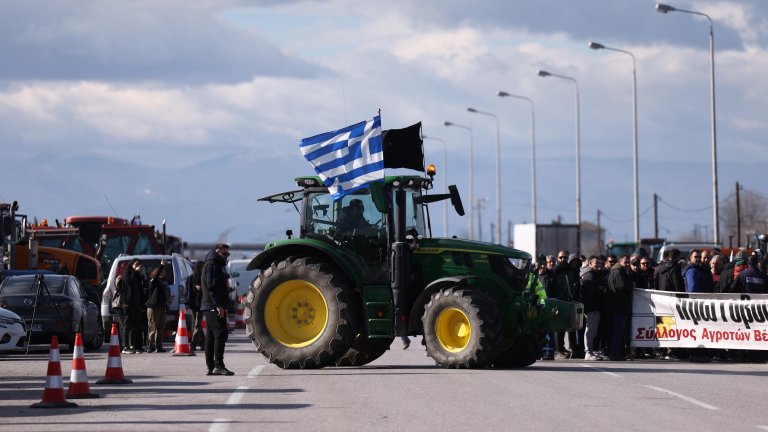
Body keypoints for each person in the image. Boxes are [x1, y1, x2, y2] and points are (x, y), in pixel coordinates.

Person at [201, 243, 234, 376]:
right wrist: (218, 305)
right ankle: (218, 366)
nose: (226, 256)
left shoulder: (215, 265)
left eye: (227, 254)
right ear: (216, 251)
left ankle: (211, 366)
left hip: (211, 305)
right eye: (224, 253)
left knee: (211, 336)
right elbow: (211, 287)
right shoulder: (212, 265)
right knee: (220, 334)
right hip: (212, 306)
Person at [581, 255, 606, 360]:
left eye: (600, 263)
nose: (599, 265)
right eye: (596, 263)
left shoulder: (593, 274)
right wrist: (601, 289)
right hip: (591, 307)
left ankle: (591, 351)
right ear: (590, 263)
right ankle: (588, 353)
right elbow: (593, 292)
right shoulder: (589, 275)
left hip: (593, 306)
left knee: (592, 331)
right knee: (590, 331)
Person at [121, 259, 148, 354]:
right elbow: (129, 283)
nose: (138, 266)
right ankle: (125, 346)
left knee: (136, 325)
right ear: (131, 265)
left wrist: (142, 303)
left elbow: (141, 289)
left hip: (137, 304)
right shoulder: (127, 274)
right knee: (127, 325)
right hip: (128, 303)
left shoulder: (138, 276)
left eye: (140, 265)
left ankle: (134, 345)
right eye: (136, 264)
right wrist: (135, 271)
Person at [146, 261, 170, 353]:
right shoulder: (153, 281)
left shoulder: (165, 283)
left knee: (160, 328)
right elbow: (155, 277)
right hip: (153, 307)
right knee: (152, 327)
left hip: (162, 307)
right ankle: (150, 346)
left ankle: (158, 346)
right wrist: (162, 266)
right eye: (161, 272)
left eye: (163, 272)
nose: (162, 273)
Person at [186, 261, 205, 351]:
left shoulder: (203, 278)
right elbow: (188, 291)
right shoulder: (191, 278)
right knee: (197, 325)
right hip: (194, 304)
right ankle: (197, 344)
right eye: (202, 267)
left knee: (197, 324)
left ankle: (200, 343)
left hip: (199, 304)